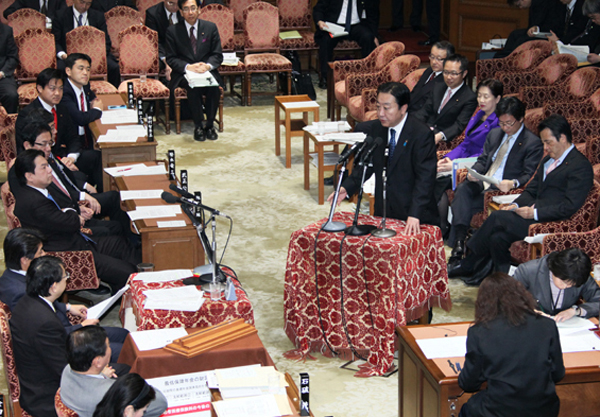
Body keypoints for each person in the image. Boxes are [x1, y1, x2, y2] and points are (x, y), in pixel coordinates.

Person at [449, 114, 594, 281]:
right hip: (530, 215)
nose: (545, 148)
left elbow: (570, 206)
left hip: (549, 222)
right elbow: (531, 190)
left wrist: (535, 213)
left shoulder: (580, 166)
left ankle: (467, 262)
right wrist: (515, 205)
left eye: (548, 142)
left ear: (562, 138)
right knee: (498, 238)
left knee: (496, 217)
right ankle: (502, 281)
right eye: (543, 143)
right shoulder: (548, 160)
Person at [11, 149, 139, 293]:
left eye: (48, 166)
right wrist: (72, 213)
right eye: (44, 167)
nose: (49, 171)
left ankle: (135, 287)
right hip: (70, 255)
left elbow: (66, 209)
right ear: (29, 176)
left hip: (78, 241)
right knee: (127, 272)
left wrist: (71, 211)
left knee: (120, 244)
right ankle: (129, 296)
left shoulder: (40, 190)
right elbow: (72, 222)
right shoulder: (34, 202)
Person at [0, 228, 130, 359]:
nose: (44, 254)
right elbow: (45, 335)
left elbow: (44, 303)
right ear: (25, 260)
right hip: (63, 344)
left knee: (124, 335)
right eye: (40, 252)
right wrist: (80, 327)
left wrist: (67, 307)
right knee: (125, 350)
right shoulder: (20, 293)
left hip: (62, 329)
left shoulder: (12, 277)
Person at [327, 82, 439, 235]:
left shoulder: (421, 134)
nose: (380, 113)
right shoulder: (376, 130)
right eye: (378, 107)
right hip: (383, 212)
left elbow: (425, 179)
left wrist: (415, 213)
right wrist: (347, 188)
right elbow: (366, 165)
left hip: (413, 216)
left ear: (403, 108)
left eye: (386, 108)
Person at [446, 96, 543, 261]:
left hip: (501, 189)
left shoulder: (532, 143)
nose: (505, 127)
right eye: (501, 123)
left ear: (520, 118)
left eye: (509, 123)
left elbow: (529, 174)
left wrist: (513, 182)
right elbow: (483, 160)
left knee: (462, 204)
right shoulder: (494, 134)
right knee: (463, 189)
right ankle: (462, 241)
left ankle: (461, 246)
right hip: (484, 181)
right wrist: (474, 172)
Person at [458, 272, 565, 417]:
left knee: (467, 408)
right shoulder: (547, 325)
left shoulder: (479, 332)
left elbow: (469, 384)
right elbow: (558, 374)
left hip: (499, 410)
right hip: (544, 408)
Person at [16, 119, 131, 240]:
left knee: (115, 205)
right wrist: (75, 210)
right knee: (113, 224)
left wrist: (83, 191)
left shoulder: (47, 158)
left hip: (72, 206)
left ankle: (135, 243)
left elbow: (65, 182)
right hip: (65, 225)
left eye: (50, 143)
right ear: (27, 145)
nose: (48, 148)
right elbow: (48, 207)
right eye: (43, 144)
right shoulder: (26, 171)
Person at [10, 256, 84, 417]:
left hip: (37, 376)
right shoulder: (44, 322)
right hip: (46, 395)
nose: (67, 279)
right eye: (65, 276)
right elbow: (63, 370)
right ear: (53, 287)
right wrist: (96, 372)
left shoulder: (28, 301)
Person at [435, 78, 503, 238]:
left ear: (498, 98)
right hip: (459, 160)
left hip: (473, 166)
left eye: (486, 97)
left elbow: (486, 154)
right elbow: (465, 144)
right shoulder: (478, 114)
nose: (481, 100)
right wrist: (448, 158)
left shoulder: (499, 122)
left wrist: (455, 165)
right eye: (479, 96)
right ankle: (438, 225)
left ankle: (441, 229)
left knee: (437, 183)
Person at [61, 326, 167, 417]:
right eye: (108, 346)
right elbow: (160, 403)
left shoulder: (68, 369)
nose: (110, 348)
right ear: (97, 361)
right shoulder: (110, 393)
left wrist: (102, 375)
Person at [165, 0, 223, 142]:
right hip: (184, 73)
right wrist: (188, 67)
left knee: (213, 88)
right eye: (186, 9)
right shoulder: (172, 31)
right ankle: (198, 125)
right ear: (181, 12)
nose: (190, 12)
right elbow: (171, 58)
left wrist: (207, 66)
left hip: (206, 71)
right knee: (193, 87)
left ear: (199, 10)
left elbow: (217, 55)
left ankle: (209, 125)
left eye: (193, 8)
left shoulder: (210, 28)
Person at [514, 248, 600, 321]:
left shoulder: (579, 274)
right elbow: (507, 298)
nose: (565, 286)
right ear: (553, 270)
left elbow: (598, 300)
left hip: (567, 326)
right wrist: (530, 312)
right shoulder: (528, 271)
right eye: (563, 282)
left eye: (571, 285)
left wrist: (575, 311)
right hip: (532, 323)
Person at [52, 0, 121, 87]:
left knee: (114, 67)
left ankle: (113, 96)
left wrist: (97, 56)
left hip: (95, 55)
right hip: (68, 56)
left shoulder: (98, 16)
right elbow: (55, 41)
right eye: (82, 2)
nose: (84, 6)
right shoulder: (60, 15)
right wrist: (63, 55)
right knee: (60, 68)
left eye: (88, 4)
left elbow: (106, 42)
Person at [413, 54, 478, 146]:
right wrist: (413, 124)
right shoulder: (438, 87)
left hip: (442, 135)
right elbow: (425, 110)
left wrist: (439, 136)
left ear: (464, 73)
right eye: (446, 72)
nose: (448, 77)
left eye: (454, 73)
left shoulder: (469, 97)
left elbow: (459, 125)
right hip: (426, 128)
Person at [313, 0, 379, 89]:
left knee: (368, 37)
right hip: (335, 25)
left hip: (356, 25)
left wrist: (374, 35)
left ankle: (367, 75)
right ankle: (325, 77)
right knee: (325, 40)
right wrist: (320, 21)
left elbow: (372, 14)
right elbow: (318, 9)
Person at [496, 0, 565, 58]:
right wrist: (531, 29)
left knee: (521, 40)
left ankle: (512, 59)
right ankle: (504, 56)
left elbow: (553, 25)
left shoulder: (548, 3)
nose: (520, 8)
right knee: (514, 34)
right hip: (538, 32)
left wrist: (537, 28)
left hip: (548, 34)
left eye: (519, 4)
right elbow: (532, 24)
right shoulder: (533, 5)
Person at [408, 41, 455, 113]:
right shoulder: (429, 70)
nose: (434, 62)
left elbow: (430, 110)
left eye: (439, 59)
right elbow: (415, 92)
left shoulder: (448, 81)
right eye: (432, 57)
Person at [145, 0, 181, 76]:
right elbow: (154, 41)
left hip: (180, 51)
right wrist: (166, 61)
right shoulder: (152, 13)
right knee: (154, 64)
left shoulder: (184, 11)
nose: (175, 7)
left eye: (178, 4)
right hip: (161, 52)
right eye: (171, 3)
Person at [0, 22, 18, 114]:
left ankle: (9, 125)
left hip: (2, 75)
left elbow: (13, 57)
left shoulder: (6, 31)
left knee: (11, 95)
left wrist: (2, 73)